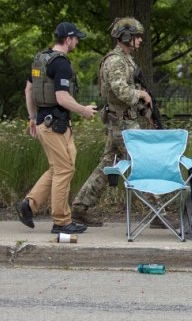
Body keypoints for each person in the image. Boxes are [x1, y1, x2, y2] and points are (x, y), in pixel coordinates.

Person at [70, 17, 155, 227]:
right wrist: (141, 94)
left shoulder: (125, 59)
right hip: (122, 124)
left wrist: (146, 112)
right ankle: (157, 211)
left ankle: (80, 208)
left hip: (123, 120)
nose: (140, 40)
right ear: (126, 37)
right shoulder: (116, 61)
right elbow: (122, 92)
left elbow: (128, 92)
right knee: (141, 162)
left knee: (109, 165)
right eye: (136, 36)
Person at [16, 22, 97, 234]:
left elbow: (29, 90)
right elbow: (61, 97)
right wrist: (83, 110)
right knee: (64, 170)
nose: (77, 41)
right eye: (76, 38)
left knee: (60, 166)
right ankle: (61, 221)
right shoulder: (61, 64)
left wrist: (32, 118)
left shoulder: (40, 59)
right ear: (68, 39)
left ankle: (29, 204)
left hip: (45, 122)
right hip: (56, 125)